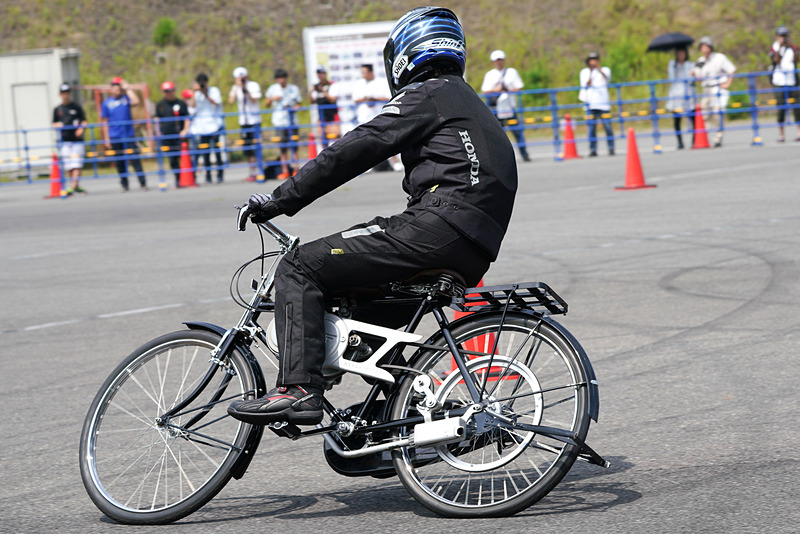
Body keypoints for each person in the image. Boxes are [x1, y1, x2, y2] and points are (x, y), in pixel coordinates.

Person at [228, 6, 517, 426]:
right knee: (359, 315)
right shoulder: (471, 104)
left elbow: (355, 149)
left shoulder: (429, 94)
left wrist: (279, 199)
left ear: (403, 56)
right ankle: (402, 418)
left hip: (435, 228)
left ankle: (298, 389)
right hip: (472, 249)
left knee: (298, 266)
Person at [480, 50, 530, 162]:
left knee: (517, 132)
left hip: (509, 108)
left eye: (500, 60)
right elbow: (485, 91)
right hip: (497, 109)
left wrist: (507, 89)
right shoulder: (490, 75)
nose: (499, 62)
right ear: (493, 62)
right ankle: (499, 158)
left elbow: (519, 88)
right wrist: (496, 90)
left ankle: (524, 154)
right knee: (498, 135)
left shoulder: (511, 72)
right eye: (496, 60)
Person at [353, 63, 402, 171]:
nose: (363, 75)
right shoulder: (359, 84)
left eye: (365, 72)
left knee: (388, 139)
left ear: (371, 72)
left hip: (379, 116)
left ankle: (395, 162)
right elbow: (355, 99)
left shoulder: (381, 83)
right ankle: (366, 165)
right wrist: (365, 99)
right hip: (365, 117)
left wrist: (374, 99)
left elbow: (389, 97)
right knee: (365, 141)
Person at [101, 76, 147, 191]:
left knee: (135, 158)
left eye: (119, 88)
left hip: (128, 134)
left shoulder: (126, 98)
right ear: (111, 88)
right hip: (115, 135)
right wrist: (106, 138)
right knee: (120, 161)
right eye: (115, 88)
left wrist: (127, 88)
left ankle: (142, 182)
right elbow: (105, 121)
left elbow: (136, 101)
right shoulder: (107, 103)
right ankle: (124, 184)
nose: (117, 90)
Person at [692, 36, 736, 148]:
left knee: (718, 114)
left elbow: (731, 70)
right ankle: (705, 136)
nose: (704, 49)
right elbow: (698, 77)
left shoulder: (719, 58)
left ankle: (718, 137)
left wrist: (727, 83)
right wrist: (694, 74)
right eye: (702, 47)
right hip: (706, 88)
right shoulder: (700, 61)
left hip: (717, 88)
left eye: (706, 46)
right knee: (704, 113)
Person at [265, 68, 302, 179]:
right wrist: (273, 98)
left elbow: (299, 103)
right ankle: (285, 170)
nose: (281, 80)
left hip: (292, 121)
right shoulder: (273, 89)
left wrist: (294, 108)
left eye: (283, 78)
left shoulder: (293, 89)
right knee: (282, 147)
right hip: (279, 121)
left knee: (294, 146)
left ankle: (296, 169)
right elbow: (266, 104)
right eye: (279, 78)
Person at [52, 83, 88, 194]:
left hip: (76, 140)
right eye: (63, 93)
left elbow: (84, 121)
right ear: (60, 95)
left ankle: (73, 186)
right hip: (65, 140)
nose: (65, 95)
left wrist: (81, 129)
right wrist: (57, 125)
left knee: (77, 163)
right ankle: (74, 186)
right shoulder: (58, 109)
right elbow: (53, 123)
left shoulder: (76, 107)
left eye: (67, 93)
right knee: (69, 165)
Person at [228, 67, 263, 181]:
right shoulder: (235, 87)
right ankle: (252, 172)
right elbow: (231, 101)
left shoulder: (253, 85)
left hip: (254, 120)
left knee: (257, 146)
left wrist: (245, 88)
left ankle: (260, 171)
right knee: (247, 148)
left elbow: (254, 100)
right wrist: (237, 87)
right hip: (244, 121)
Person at [189, 73, 224, 183]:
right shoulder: (196, 94)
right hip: (202, 127)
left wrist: (205, 93)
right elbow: (192, 106)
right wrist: (195, 92)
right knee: (205, 153)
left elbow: (216, 103)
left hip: (214, 125)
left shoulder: (214, 91)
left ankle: (220, 175)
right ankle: (208, 175)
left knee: (217, 151)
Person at [154, 81, 190, 187]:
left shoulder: (181, 103)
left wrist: (185, 130)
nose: (168, 93)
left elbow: (187, 118)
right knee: (172, 160)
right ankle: (178, 180)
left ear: (174, 91)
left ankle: (190, 179)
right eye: (166, 91)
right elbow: (157, 120)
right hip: (167, 137)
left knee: (185, 158)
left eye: (170, 91)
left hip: (179, 136)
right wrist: (158, 132)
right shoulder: (160, 105)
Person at [578, 52, 615, 157]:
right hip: (591, 104)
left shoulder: (605, 70)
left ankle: (611, 148)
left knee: (608, 127)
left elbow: (607, 78)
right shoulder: (584, 72)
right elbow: (586, 84)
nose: (593, 61)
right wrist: (591, 72)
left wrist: (598, 68)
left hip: (604, 104)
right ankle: (593, 149)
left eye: (595, 59)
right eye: (591, 60)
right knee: (592, 129)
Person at [770, 25, 800, 143]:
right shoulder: (774, 47)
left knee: (797, 107)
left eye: (785, 36)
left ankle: (799, 132)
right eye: (781, 36)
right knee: (781, 107)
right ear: (777, 37)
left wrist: (791, 47)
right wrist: (780, 48)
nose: (783, 38)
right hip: (779, 81)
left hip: (792, 80)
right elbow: (774, 61)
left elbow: (797, 60)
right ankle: (781, 134)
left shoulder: (793, 47)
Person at [666, 47, 695, 149]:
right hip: (676, 95)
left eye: (682, 53)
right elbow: (671, 78)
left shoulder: (690, 64)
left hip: (688, 93)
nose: (680, 55)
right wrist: (673, 68)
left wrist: (690, 71)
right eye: (678, 53)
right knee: (677, 120)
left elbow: (691, 79)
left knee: (693, 118)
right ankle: (680, 141)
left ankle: (694, 140)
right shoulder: (673, 64)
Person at [310, 66, 339, 147]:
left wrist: (323, 91)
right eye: (318, 74)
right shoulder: (316, 87)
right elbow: (312, 101)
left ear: (325, 74)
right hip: (321, 118)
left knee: (336, 141)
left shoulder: (331, 85)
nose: (320, 75)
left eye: (322, 73)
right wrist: (310, 91)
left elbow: (333, 99)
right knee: (322, 141)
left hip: (332, 117)